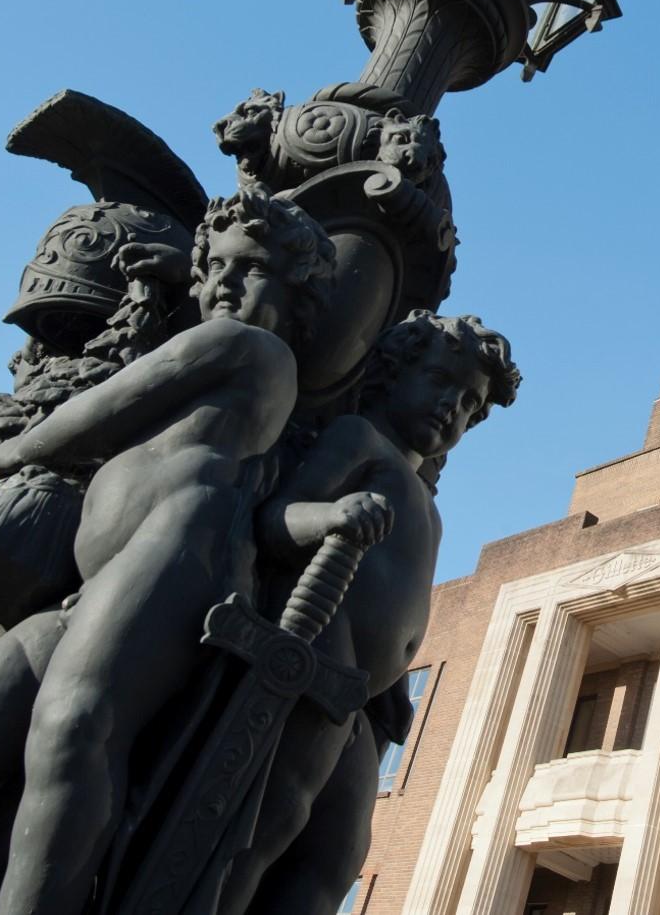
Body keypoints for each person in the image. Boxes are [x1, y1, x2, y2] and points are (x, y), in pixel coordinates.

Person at [0, 188, 336, 915]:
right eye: (217, 268)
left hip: (178, 548)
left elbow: (95, 414)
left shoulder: (241, 345)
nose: (227, 285)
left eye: (252, 268)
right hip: (106, 577)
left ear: (294, 291)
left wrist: (11, 449)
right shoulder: (219, 338)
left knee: (74, 727)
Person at [218, 310, 519, 914]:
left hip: (363, 703)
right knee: (265, 825)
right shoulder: (359, 439)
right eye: (439, 381)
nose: (451, 406)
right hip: (315, 665)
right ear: (396, 370)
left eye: (468, 402)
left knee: (335, 857)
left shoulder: (429, 510)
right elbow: (276, 520)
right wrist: (331, 516)